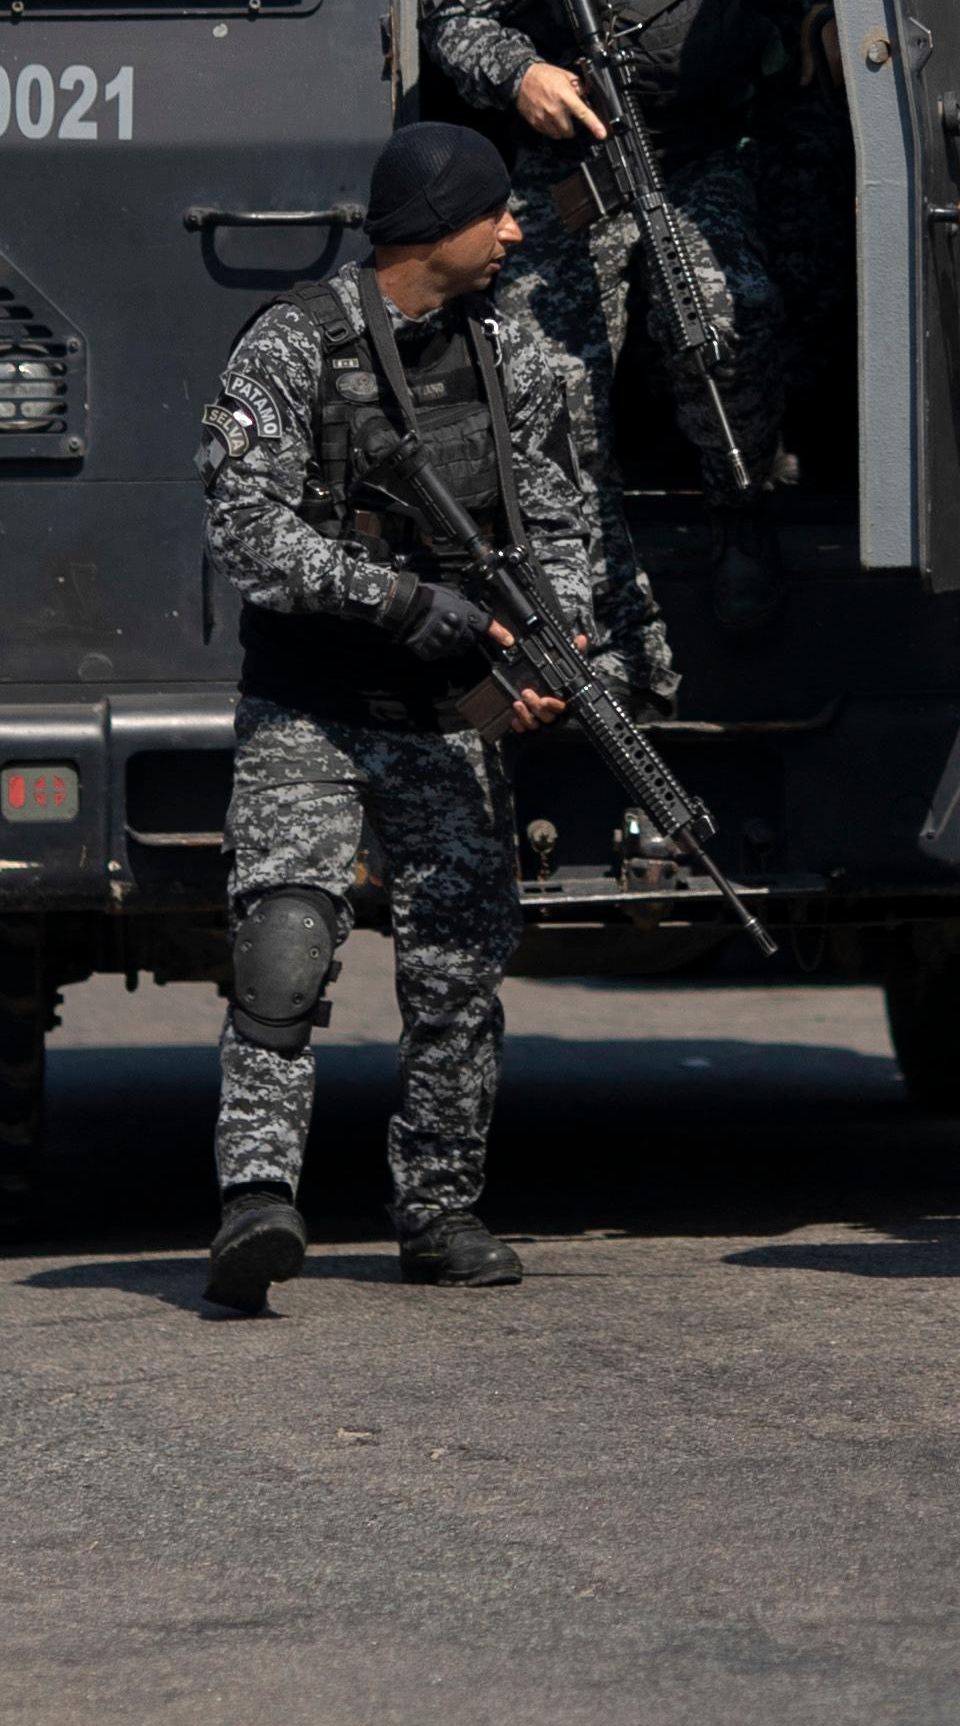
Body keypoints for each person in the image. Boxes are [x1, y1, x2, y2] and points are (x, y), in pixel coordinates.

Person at [193, 118, 671, 1316]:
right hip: (310, 704)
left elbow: (558, 520)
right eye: (497, 211)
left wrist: (553, 653)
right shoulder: (291, 347)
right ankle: (256, 1200)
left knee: (461, 967)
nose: (517, 231)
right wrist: (401, 600)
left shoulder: (518, 356)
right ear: (438, 226)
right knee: (285, 947)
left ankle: (440, 1208)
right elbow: (244, 527)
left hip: (445, 717)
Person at [421, 0, 837, 512]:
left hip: (708, 146)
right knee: (546, 363)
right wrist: (519, 73)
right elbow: (450, 18)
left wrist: (822, 1)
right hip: (574, 158)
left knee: (728, 322)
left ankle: (741, 514)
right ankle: (577, 543)